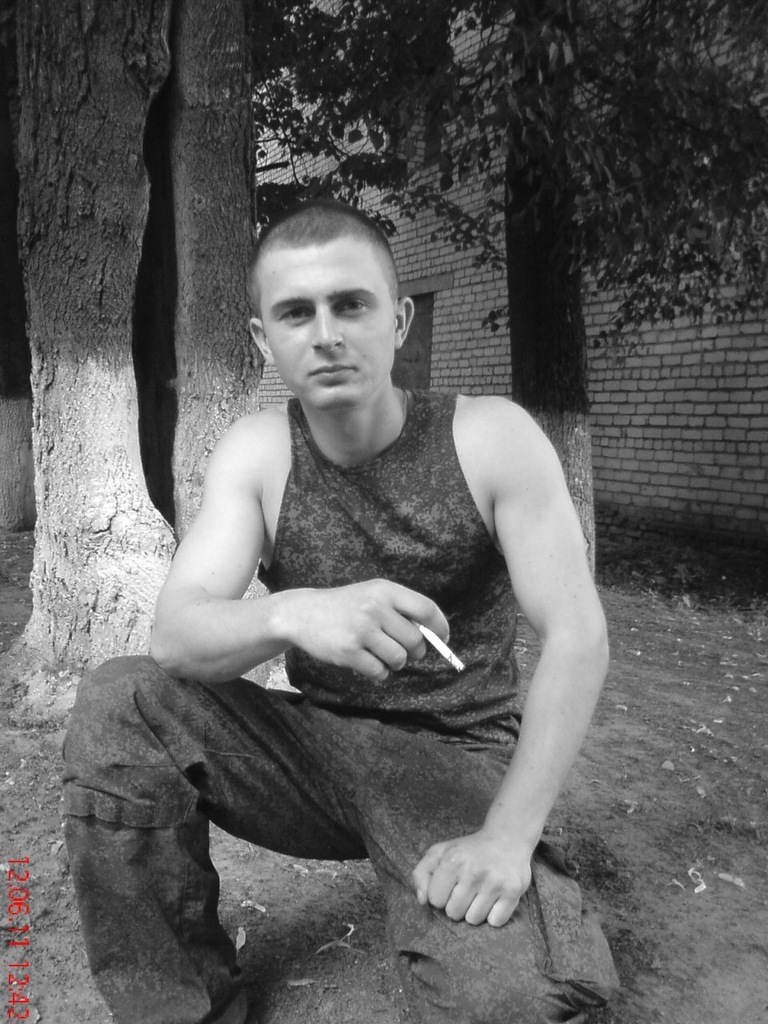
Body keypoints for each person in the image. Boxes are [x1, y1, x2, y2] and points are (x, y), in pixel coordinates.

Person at [62, 198, 619, 1024]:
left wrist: (508, 837)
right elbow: (176, 635)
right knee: (122, 701)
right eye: (297, 312)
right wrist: (293, 612)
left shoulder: (490, 438)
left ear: (398, 321)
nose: (325, 334)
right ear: (264, 340)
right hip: (311, 754)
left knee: (515, 1004)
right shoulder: (260, 452)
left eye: (351, 304)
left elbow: (578, 637)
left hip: (456, 756)